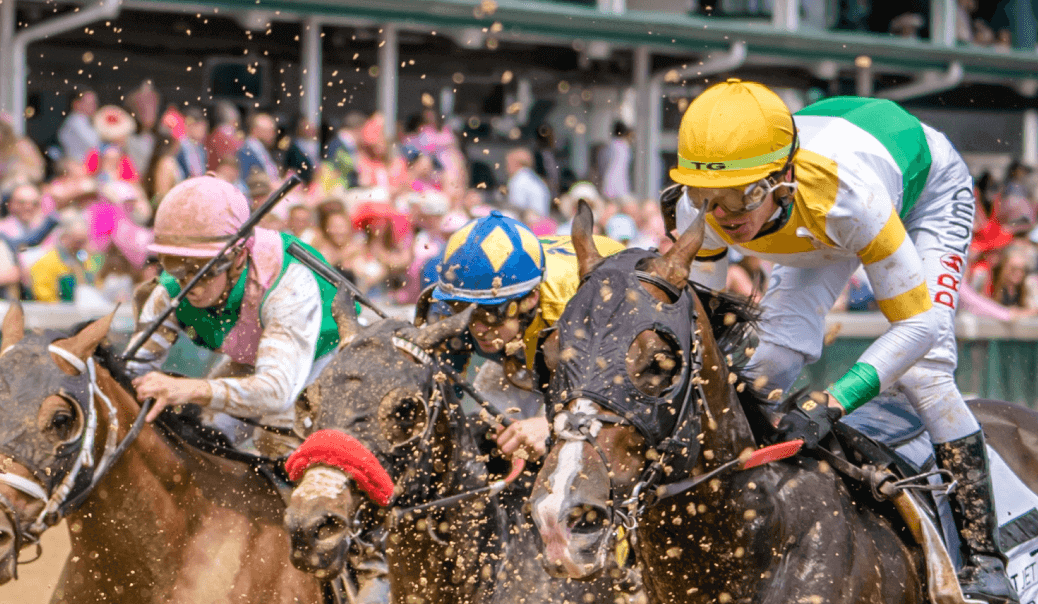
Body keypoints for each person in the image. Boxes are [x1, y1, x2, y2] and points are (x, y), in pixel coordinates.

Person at [668, 79, 1017, 604]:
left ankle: (984, 558)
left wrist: (836, 400)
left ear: (781, 176)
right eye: (706, 196)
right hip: (816, 214)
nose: (724, 216)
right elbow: (703, 333)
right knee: (766, 364)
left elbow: (916, 327)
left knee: (925, 372)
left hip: (923, 195)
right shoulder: (698, 215)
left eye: (742, 194)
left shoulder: (848, 198)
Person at [125, 176, 346, 457]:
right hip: (254, 357)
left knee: (276, 436)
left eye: (201, 268)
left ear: (238, 257)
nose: (189, 282)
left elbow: (278, 392)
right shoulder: (168, 292)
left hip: (322, 357)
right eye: (175, 264)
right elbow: (133, 370)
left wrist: (186, 388)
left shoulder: (288, 284)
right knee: (203, 437)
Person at [430, 211, 625, 460]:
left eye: (490, 314)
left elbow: (619, 391)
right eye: (464, 310)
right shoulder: (459, 301)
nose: (478, 328)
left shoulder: (577, 305)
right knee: (486, 427)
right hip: (534, 328)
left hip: (606, 323)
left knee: (563, 440)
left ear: (530, 299)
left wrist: (553, 424)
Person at [505, 148, 551, 219]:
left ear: (516, 163)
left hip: (530, 224)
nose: (506, 168)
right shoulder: (535, 178)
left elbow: (516, 210)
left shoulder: (518, 180)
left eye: (508, 164)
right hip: (542, 223)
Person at [57, 89, 100, 163]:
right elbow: (94, 143)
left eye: (94, 103)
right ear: (76, 104)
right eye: (88, 103)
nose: (93, 106)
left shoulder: (86, 120)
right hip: (77, 165)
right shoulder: (76, 120)